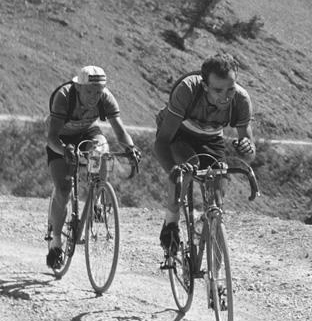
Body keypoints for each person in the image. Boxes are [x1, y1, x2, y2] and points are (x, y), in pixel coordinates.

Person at [152, 52, 255, 260]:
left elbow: (250, 154)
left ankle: (215, 280)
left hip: (211, 138)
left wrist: (247, 149)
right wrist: (174, 172)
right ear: (205, 85)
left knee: (217, 199)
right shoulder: (187, 90)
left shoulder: (241, 100)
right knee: (188, 167)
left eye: (230, 89)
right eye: (218, 90)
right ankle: (171, 223)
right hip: (178, 133)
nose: (225, 96)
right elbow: (162, 142)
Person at [44, 65, 141, 269]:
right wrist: (64, 151)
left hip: (87, 132)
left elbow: (120, 131)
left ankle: (95, 198)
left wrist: (130, 149)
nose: (94, 97)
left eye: (98, 92)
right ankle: (56, 242)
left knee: (101, 151)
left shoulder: (105, 97)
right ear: (78, 87)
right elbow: (52, 138)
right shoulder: (64, 96)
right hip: (60, 137)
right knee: (63, 189)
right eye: (89, 91)